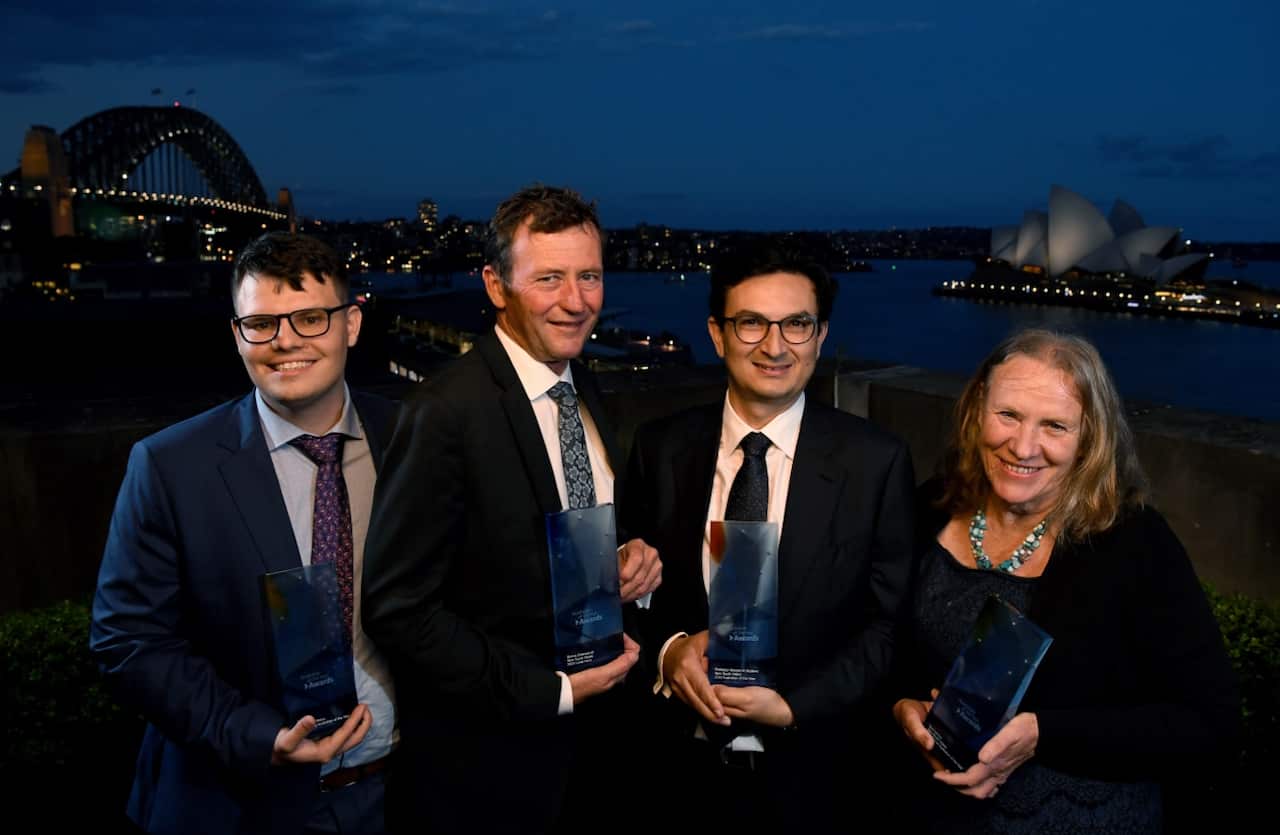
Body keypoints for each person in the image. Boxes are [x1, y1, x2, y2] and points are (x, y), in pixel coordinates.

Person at [361, 184, 662, 834]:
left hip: (598, 749)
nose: (577, 301)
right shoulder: (443, 414)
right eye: (549, 278)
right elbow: (397, 608)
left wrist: (629, 557)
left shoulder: (579, 379)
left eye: (589, 276)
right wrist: (545, 691)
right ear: (496, 285)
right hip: (492, 770)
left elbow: (561, 521)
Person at [90, 232, 400, 835]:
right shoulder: (170, 465)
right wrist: (259, 736)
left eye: (311, 317)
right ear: (238, 335)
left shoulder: (413, 437)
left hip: (400, 794)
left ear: (352, 324)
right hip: (238, 805)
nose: (286, 341)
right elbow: (126, 640)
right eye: (262, 322)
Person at [890, 328, 1239, 834]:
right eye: (1007, 415)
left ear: (1089, 440)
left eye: (1054, 425)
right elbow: (892, 650)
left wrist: (1042, 734)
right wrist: (901, 705)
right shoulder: (933, 504)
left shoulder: (1135, 542)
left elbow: (1211, 723)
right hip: (933, 814)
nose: (1023, 446)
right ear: (975, 412)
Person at [618, 244, 917, 832]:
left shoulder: (875, 462)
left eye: (797, 324)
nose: (775, 346)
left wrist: (793, 707)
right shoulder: (660, 448)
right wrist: (671, 649)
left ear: (821, 334)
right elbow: (629, 589)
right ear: (717, 333)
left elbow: (890, 627)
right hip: (675, 773)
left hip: (817, 779)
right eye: (752, 322)